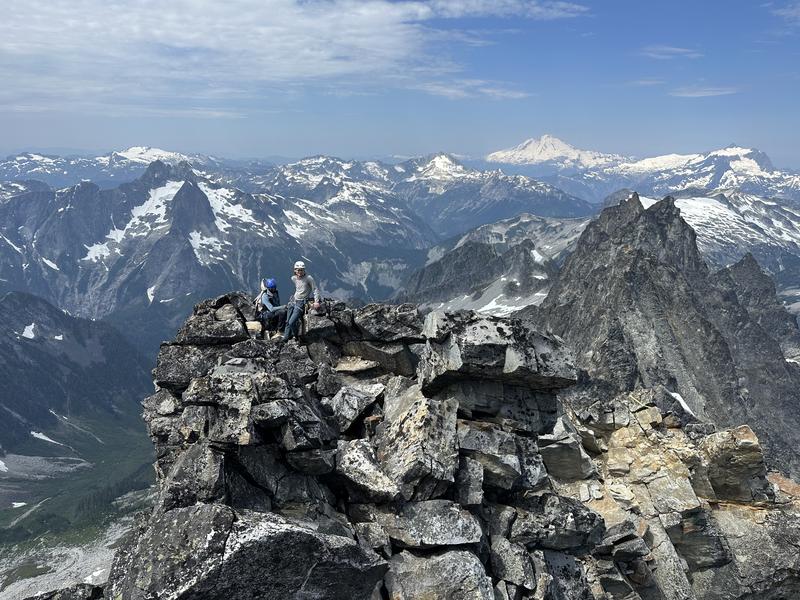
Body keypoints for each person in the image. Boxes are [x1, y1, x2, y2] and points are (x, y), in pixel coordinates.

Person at [282, 260, 321, 342]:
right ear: (295, 270)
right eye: (298, 270)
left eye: (301, 270)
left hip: (301, 303)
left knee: (292, 322)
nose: (300, 271)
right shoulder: (294, 278)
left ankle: (296, 336)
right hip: (293, 301)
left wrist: (316, 301)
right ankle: (285, 338)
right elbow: (298, 289)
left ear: (304, 270)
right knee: (288, 321)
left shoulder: (308, 278)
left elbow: (315, 289)